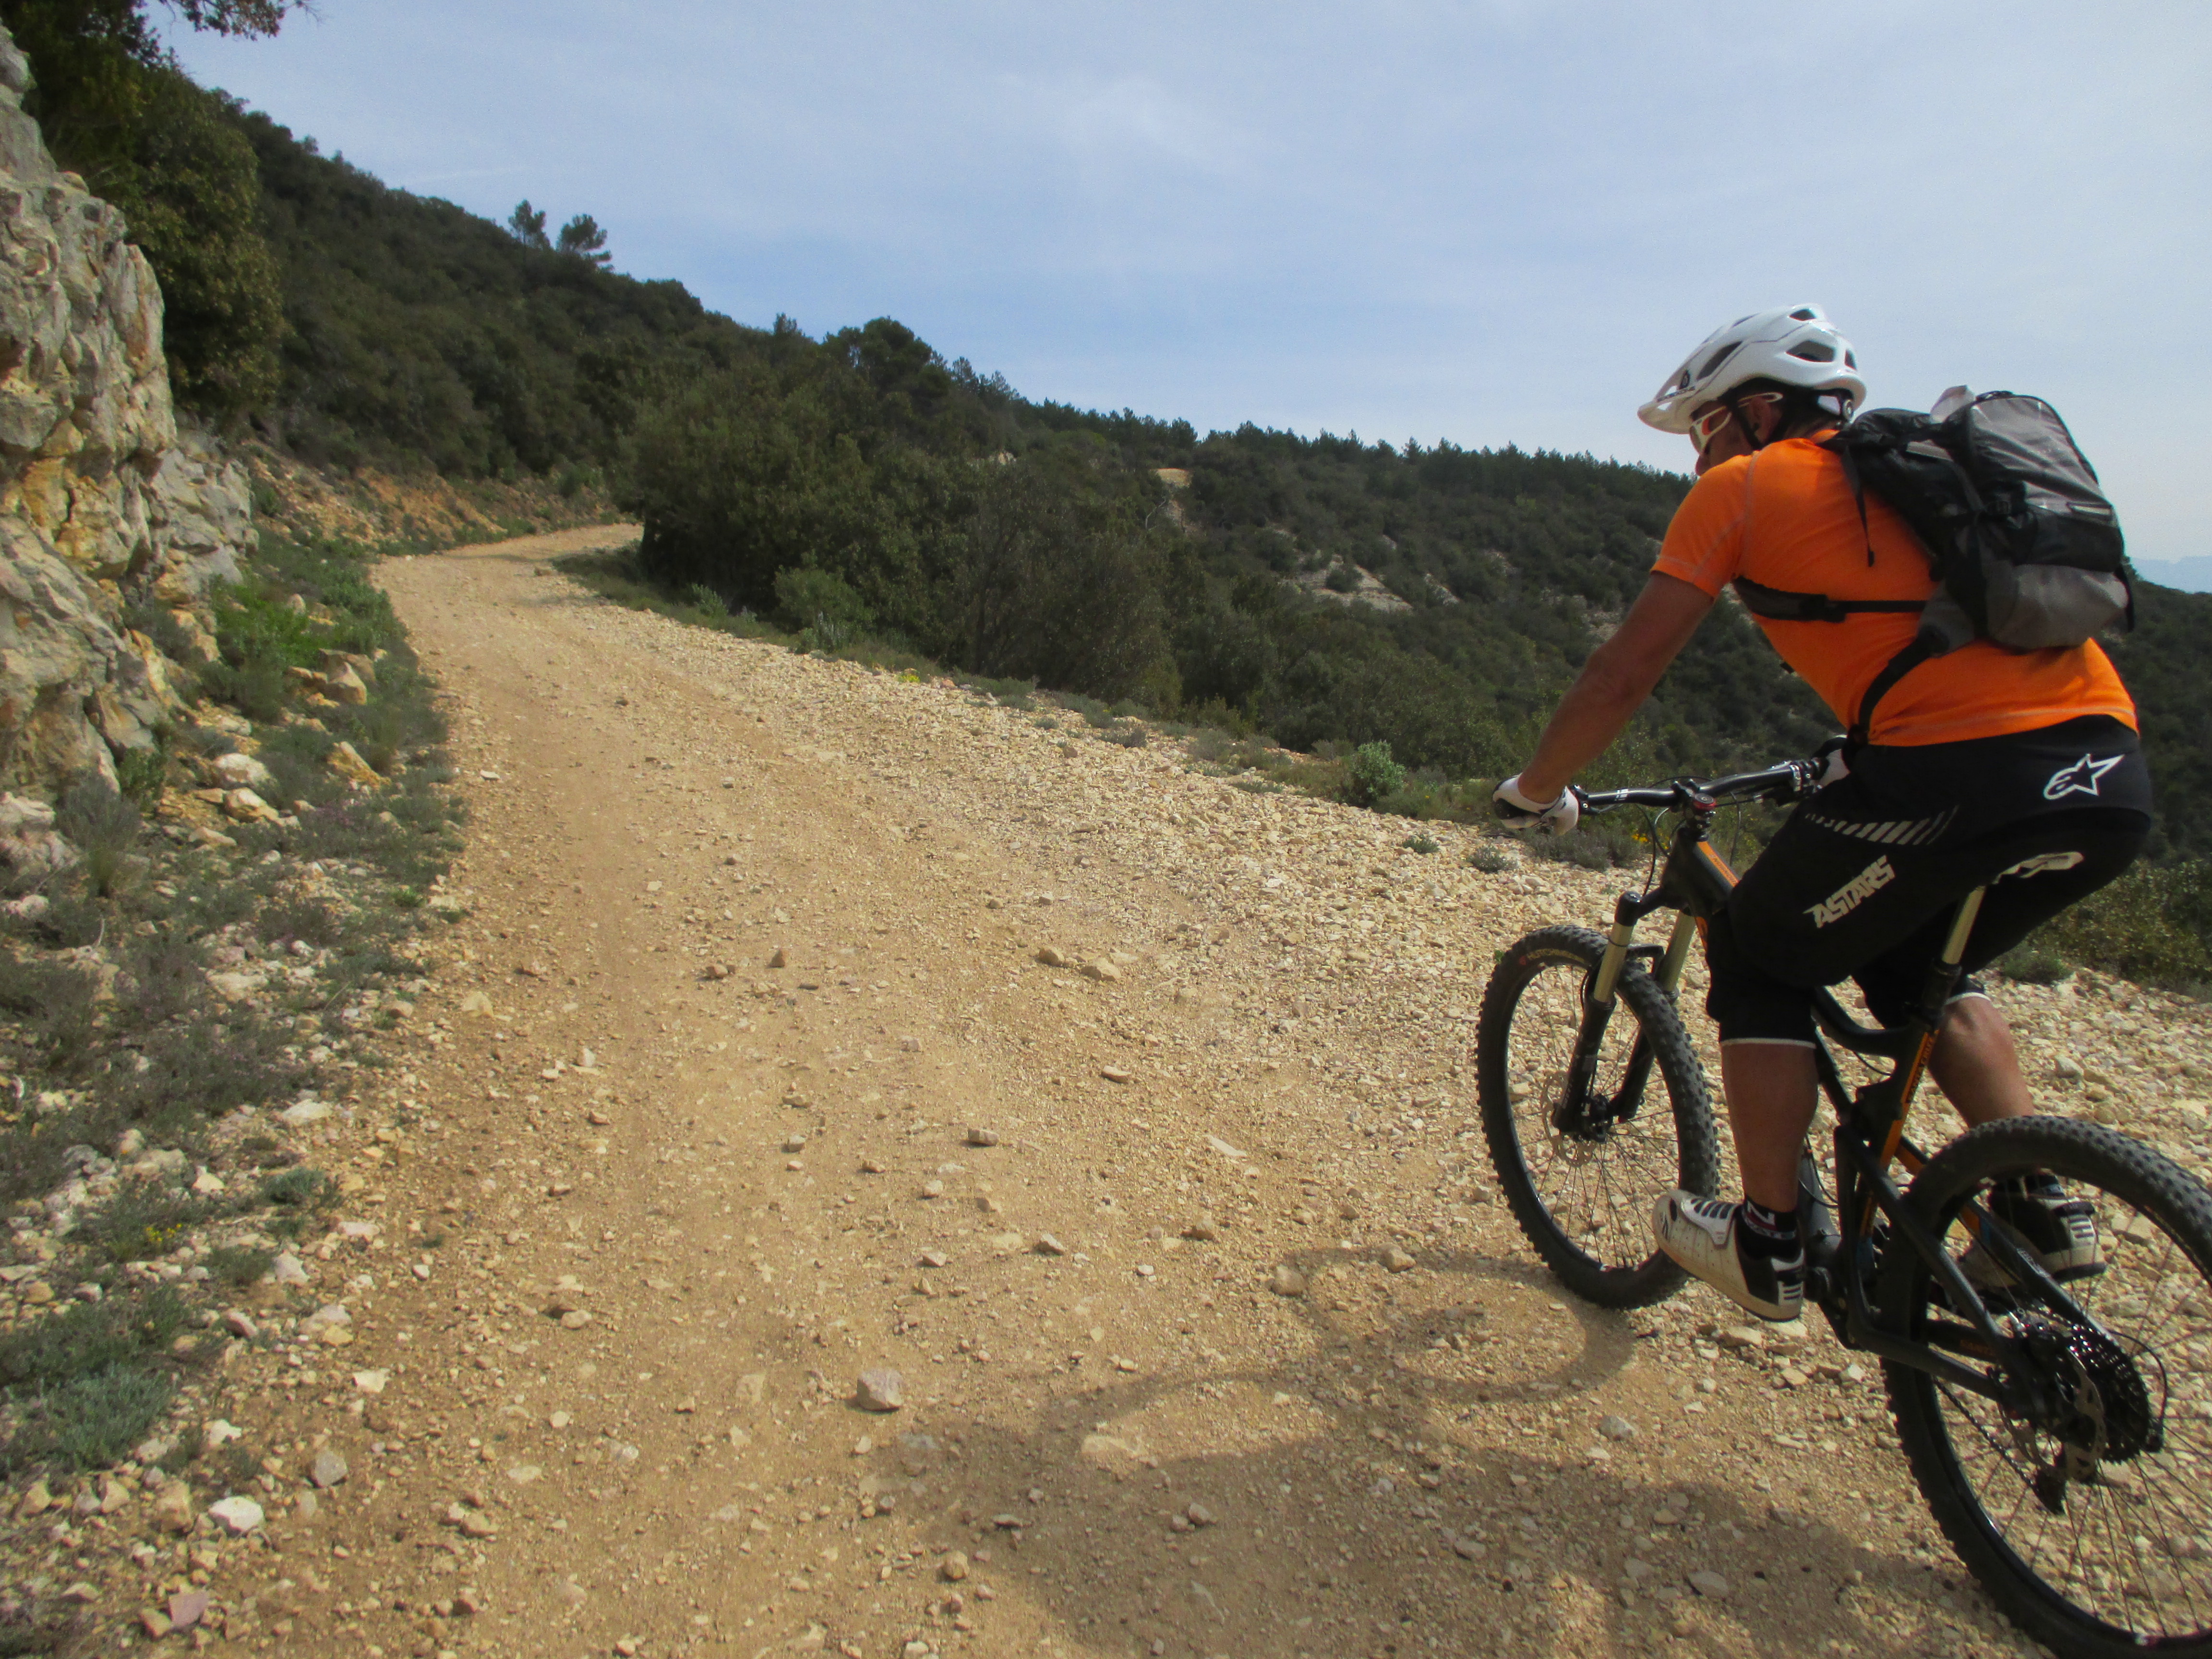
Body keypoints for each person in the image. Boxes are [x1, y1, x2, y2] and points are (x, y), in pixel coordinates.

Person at [1491, 304, 2151, 1322]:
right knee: (1915, 964)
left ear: (1757, 411)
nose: (1698, 457)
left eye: (1704, 429)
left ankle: (1768, 1242)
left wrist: (1536, 786)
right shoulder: (1922, 484)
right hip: (2107, 773)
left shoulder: (1743, 490)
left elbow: (1624, 673)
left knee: (1758, 953)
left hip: (1956, 779)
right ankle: (2039, 1211)